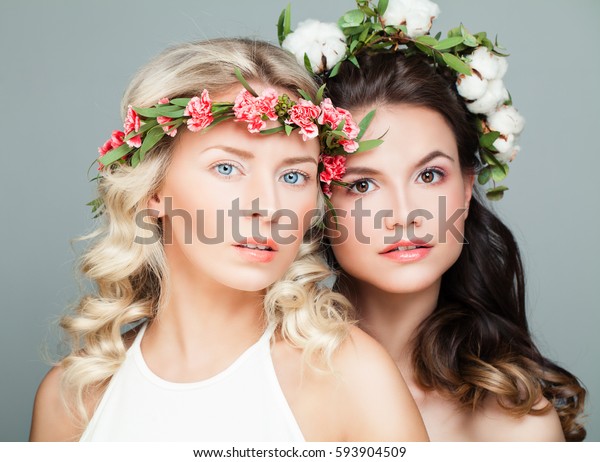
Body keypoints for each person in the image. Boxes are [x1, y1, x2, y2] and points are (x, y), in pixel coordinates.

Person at [29, 38, 428, 442]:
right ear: (154, 192)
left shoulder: (351, 378)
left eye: (293, 176)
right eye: (227, 167)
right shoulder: (72, 398)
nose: (269, 207)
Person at [280, 0, 587, 442]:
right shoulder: (256, 380)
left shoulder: (517, 426)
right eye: (362, 185)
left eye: (429, 175)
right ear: (317, 203)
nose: (404, 215)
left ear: (464, 190)